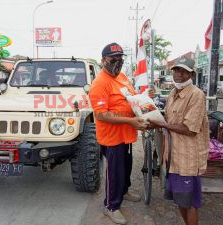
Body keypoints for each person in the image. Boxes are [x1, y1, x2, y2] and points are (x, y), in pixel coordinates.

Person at [89, 42, 147, 225]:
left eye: (120, 58)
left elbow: (131, 96)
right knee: (115, 172)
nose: (117, 62)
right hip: (112, 137)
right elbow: (101, 114)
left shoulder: (122, 76)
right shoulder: (100, 84)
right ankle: (111, 206)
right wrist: (130, 120)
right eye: (113, 59)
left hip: (126, 134)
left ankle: (124, 191)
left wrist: (144, 98)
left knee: (127, 166)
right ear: (103, 60)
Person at [148, 57, 209, 225]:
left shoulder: (196, 95)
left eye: (184, 71)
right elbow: (168, 119)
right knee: (180, 201)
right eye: (176, 70)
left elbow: (190, 129)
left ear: (191, 74)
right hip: (173, 158)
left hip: (188, 160)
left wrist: (162, 123)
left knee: (190, 204)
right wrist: (150, 120)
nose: (179, 74)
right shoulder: (173, 93)